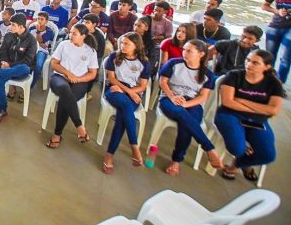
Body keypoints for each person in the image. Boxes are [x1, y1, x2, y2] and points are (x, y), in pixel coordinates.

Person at [216, 50, 285, 182]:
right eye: (248, 60)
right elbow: (228, 102)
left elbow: (274, 110)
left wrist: (243, 101)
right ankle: (243, 159)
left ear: (267, 67)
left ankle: (239, 164)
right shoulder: (234, 75)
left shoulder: (274, 83)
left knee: (268, 155)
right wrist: (260, 109)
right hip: (230, 115)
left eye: (255, 63)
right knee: (237, 148)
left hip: (257, 121)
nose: (249, 64)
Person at [157, 39, 223, 176]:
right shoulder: (174, 63)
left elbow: (203, 96)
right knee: (180, 113)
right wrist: (172, 97)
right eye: (184, 49)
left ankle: (176, 160)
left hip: (192, 102)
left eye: (189, 51)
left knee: (186, 126)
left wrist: (186, 104)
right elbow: (162, 82)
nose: (184, 53)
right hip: (169, 98)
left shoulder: (207, 74)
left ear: (201, 54)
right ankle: (208, 147)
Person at [101, 32, 151, 174]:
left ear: (136, 45)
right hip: (115, 91)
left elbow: (142, 85)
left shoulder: (144, 62)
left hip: (132, 93)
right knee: (126, 106)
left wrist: (129, 91)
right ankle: (134, 147)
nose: (123, 46)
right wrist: (128, 91)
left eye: (127, 44)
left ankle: (109, 155)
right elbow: (112, 79)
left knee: (123, 115)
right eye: (122, 42)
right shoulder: (114, 56)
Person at [45, 24, 98, 148]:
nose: (70, 35)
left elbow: (92, 74)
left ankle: (57, 135)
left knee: (66, 99)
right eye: (71, 32)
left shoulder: (90, 51)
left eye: (74, 33)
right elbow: (54, 64)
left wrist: (78, 79)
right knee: (64, 89)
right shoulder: (64, 45)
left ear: (83, 36)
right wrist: (68, 74)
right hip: (60, 77)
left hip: (80, 81)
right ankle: (79, 126)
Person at [261, 0, 291, 85]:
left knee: (285, 59)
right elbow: (264, 6)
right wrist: (277, 11)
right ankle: (266, 81)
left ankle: (278, 85)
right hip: (275, 26)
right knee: (269, 56)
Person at [28, 12, 54, 88]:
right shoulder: (32, 28)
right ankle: (24, 81)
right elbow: (30, 40)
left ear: (46, 21)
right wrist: (40, 42)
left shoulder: (49, 31)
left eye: (42, 19)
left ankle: (30, 86)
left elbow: (40, 41)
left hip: (42, 51)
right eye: (38, 18)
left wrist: (38, 31)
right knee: (25, 63)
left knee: (38, 66)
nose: (39, 21)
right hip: (31, 49)